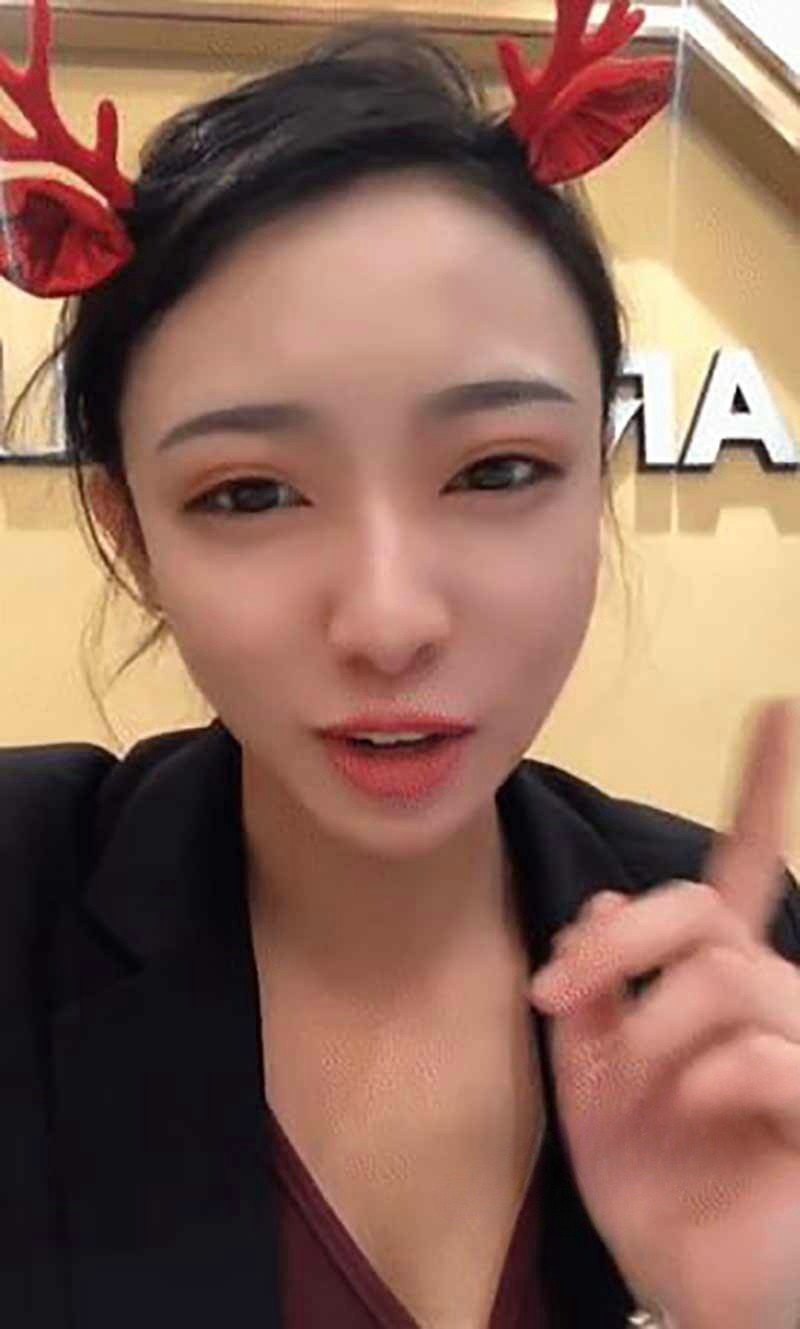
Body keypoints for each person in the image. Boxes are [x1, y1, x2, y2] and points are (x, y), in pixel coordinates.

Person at [1, 3, 799, 1328]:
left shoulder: (733, 969)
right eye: (250, 494)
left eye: (496, 471)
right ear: (130, 534)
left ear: (595, 481)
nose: (387, 620)